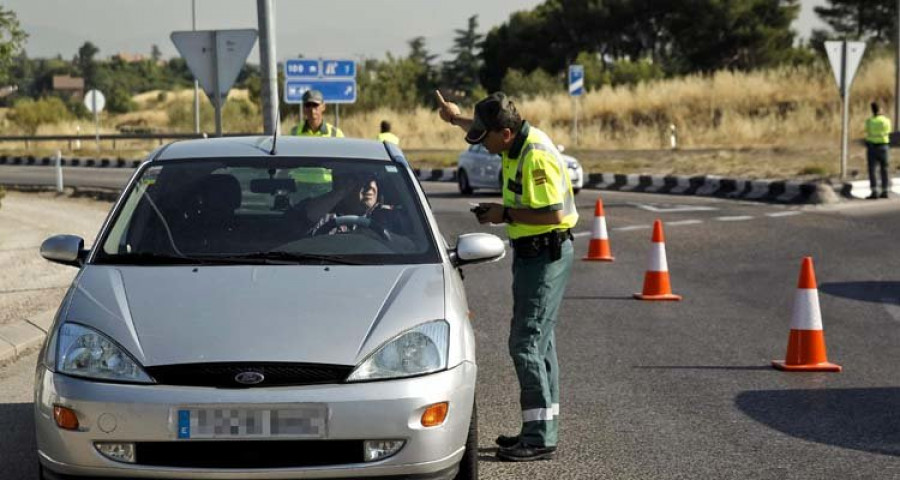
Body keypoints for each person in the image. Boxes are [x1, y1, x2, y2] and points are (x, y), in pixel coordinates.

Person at [436, 90, 578, 462]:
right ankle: (541, 426)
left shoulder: (535, 157)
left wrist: (504, 215)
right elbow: (482, 129)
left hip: (545, 252)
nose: (483, 147)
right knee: (540, 343)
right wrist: (456, 119)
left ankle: (538, 437)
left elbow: (552, 214)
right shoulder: (514, 142)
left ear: (507, 134)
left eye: (487, 139)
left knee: (526, 343)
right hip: (533, 252)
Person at [305, 175, 392, 236]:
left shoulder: (388, 217)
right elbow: (307, 218)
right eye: (362, 180)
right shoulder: (324, 216)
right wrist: (340, 193)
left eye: (374, 179)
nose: (370, 186)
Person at [865, 102, 892, 199]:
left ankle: (874, 191)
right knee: (884, 169)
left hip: (872, 147)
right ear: (880, 109)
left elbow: (867, 131)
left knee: (872, 170)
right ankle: (885, 190)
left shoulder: (869, 121)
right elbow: (889, 131)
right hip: (884, 147)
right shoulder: (886, 121)